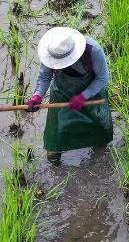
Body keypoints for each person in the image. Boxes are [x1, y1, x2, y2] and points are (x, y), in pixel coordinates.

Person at [26, 27, 113, 165]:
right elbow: (44, 77)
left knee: (98, 128)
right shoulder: (51, 52)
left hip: (92, 93)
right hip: (62, 93)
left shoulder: (93, 50)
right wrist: (37, 96)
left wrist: (83, 96)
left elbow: (102, 78)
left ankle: (100, 153)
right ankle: (54, 161)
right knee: (57, 131)